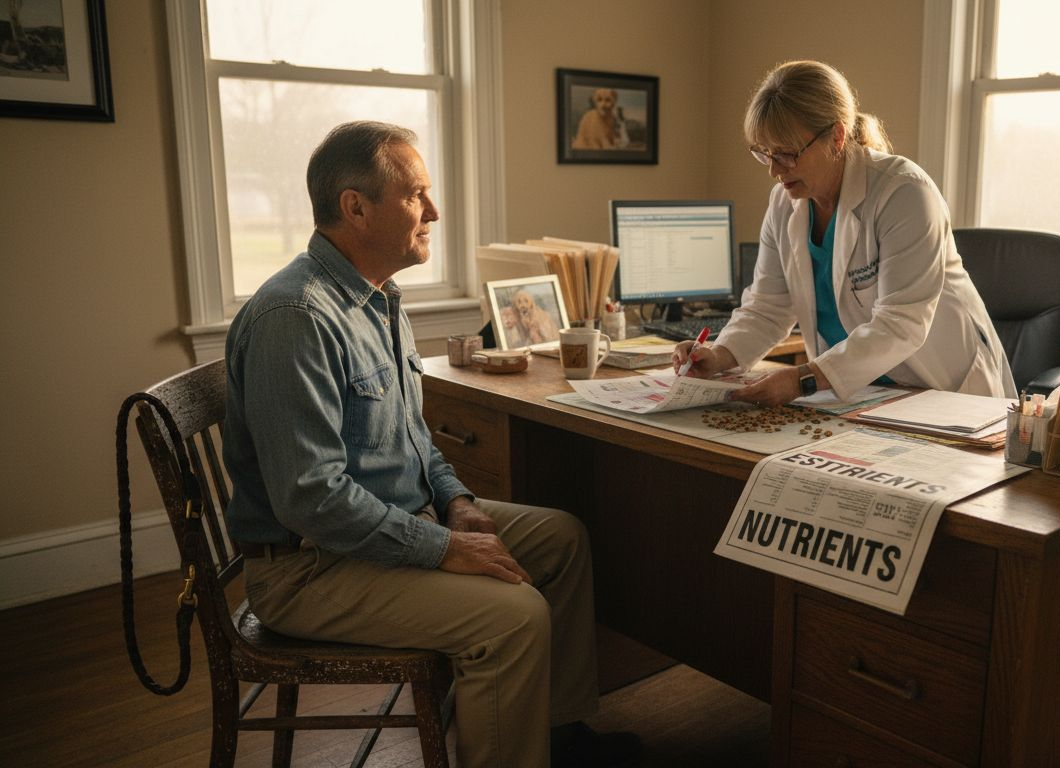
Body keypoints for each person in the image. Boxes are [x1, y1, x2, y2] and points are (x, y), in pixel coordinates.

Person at [222, 121, 639, 768]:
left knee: (561, 539)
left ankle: (556, 736)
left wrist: (458, 502)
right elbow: (312, 499)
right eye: (417, 195)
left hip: (388, 524)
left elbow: (413, 439)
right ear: (356, 208)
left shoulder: (380, 298)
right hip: (307, 567)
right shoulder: (296, 319)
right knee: (514, 616)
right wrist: (444, 548)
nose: (435, 212)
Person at [672, 61, 1013, 405]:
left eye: (788, 154)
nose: (775, 170)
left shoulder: (904, 193)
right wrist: (719, 355)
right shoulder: (784, 202)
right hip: (857, 394)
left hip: (942, 391)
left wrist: (802, 378)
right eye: (766, 154)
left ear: (836, 136)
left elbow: (900, 324)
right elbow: (766, 308)